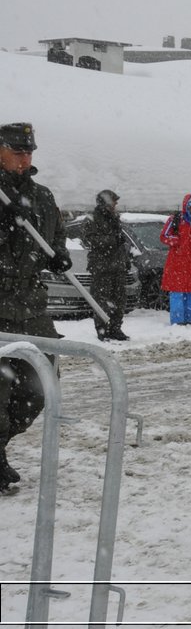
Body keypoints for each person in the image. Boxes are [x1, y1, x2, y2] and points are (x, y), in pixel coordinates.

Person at [0, 123, 68, 492]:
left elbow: (55, 235)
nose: (25, 158)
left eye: (29, 152)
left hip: (30, 304)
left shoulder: (41, 195)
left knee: (40, 385)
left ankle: (0, 446)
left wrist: (57, 254)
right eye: (17, 151)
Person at [84, 189, 132, 341]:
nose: (116, 205)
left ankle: (115, 328)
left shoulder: (114, 218)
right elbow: (90, 240)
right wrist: (112, 241)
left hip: (118, 266)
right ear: (105, 203)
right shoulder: (93, 219)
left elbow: (120, 243)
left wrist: (126, 261)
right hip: (102, 267)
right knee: (102, 300)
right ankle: (103, 329)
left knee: (119, 299)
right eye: (113, 202)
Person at [160, 195, 191, 325]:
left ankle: (188, 319)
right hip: (177, 263)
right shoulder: (175, 219)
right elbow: (164, 236)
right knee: (177, 293)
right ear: (186, 206)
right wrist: (176, 241)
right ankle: (177, 321)